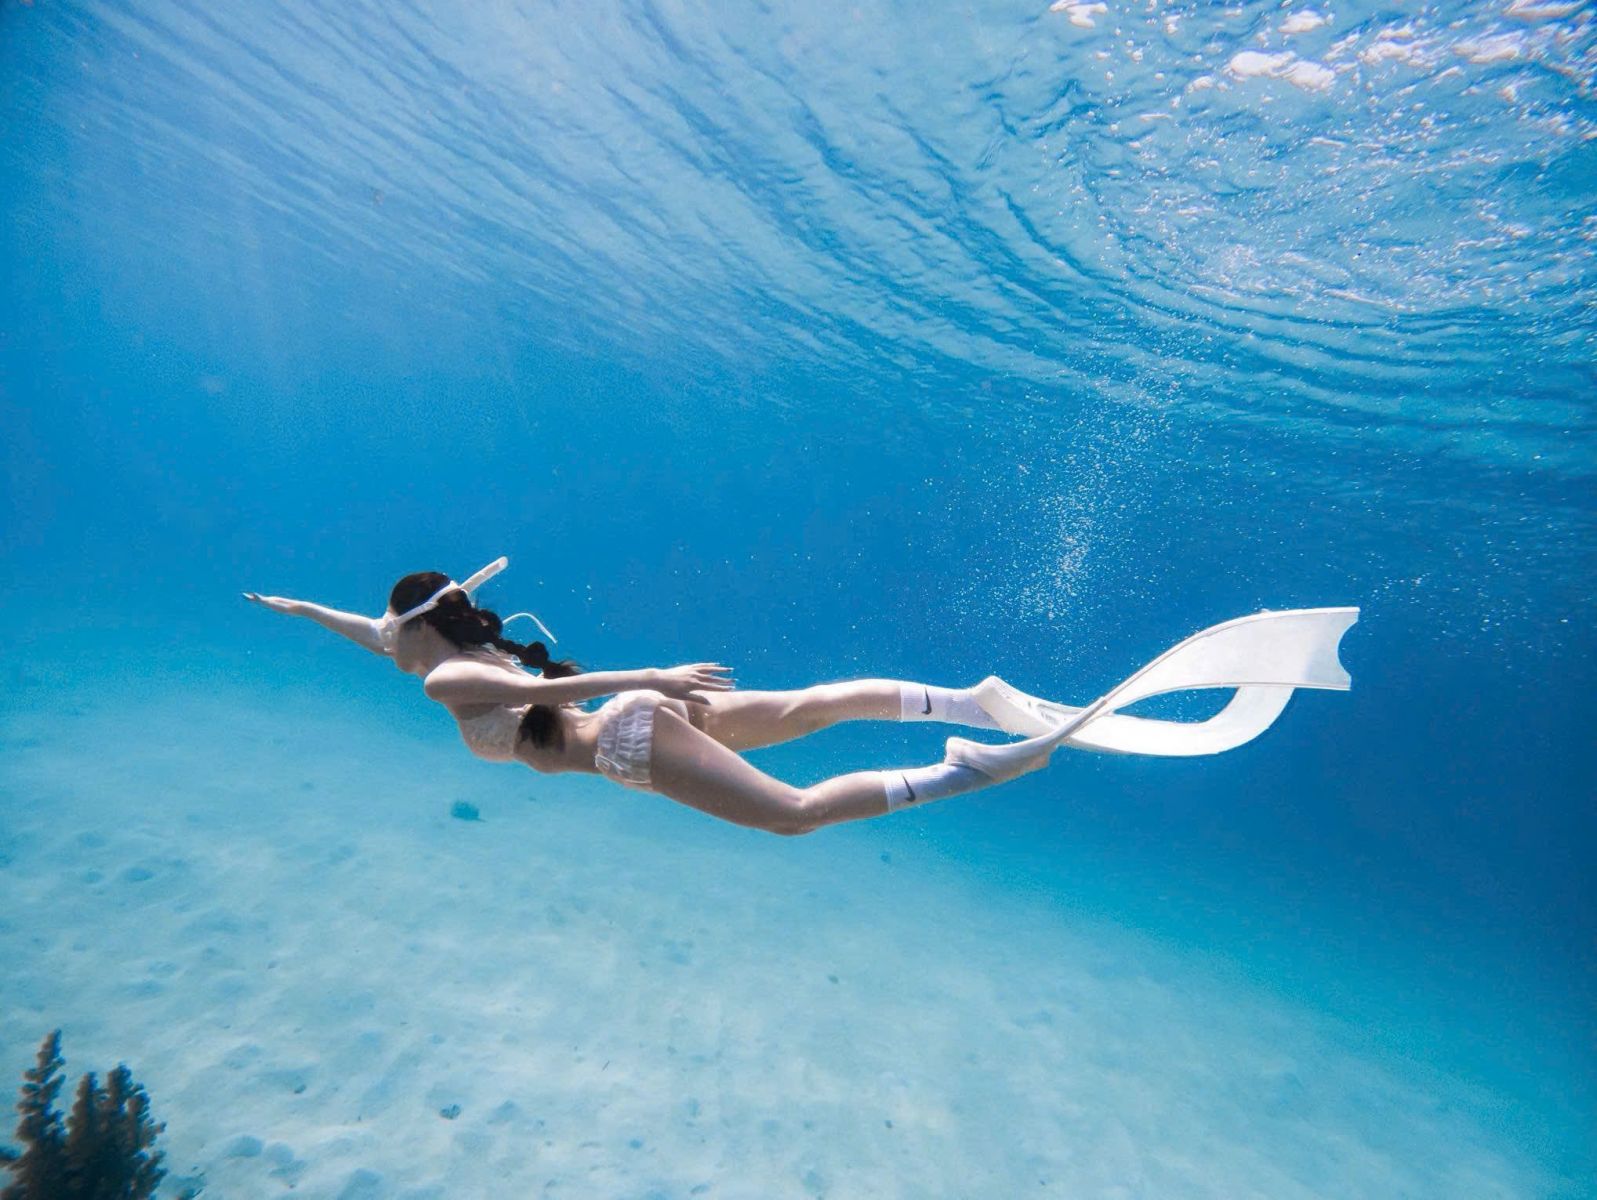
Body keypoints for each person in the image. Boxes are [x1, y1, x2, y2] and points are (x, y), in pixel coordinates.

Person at [245, 557, 1359, 836]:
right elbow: (370, 630)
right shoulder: (427, 646)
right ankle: (967, 700)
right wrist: (297, 610)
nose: (380, 642)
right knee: (820, 704)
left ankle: (970, 765)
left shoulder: (450, 675)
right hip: (633, 721)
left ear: (420, 630)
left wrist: (651, 679)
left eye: (388, 630)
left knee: (791, 815)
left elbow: (529, 682)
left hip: (628, 734)